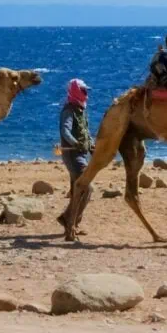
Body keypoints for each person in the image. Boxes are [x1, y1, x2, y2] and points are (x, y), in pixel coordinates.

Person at [56, 78, 94, 236]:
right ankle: (69, 220)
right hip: (73, 155)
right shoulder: (69, 110)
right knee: (86, 188)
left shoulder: (81, 110)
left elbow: (85, 131)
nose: (86, 93)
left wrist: (91, 145)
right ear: (77, 91)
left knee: (76, 190)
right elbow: (66, 131)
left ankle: (71, 223)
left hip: (82, 154)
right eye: (84, 90)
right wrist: (76, 142)